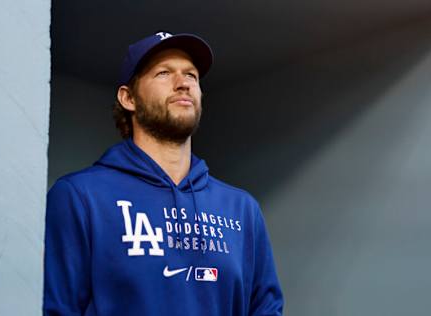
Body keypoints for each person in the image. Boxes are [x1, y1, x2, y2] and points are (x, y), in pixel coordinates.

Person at [43, 31, 284, 316]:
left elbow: (266, 310)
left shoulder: (242, 209)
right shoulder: (79, 198)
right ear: (128, 98)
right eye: (163, 73)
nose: (182, 84)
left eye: (191, 75)